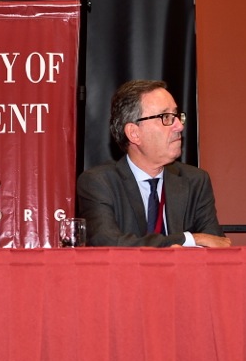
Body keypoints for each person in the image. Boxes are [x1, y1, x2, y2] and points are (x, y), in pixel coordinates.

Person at [76, 79, 231, 247]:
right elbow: (107, 243)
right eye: (166, 117)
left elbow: (217, 246)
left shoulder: (195, 181)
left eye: (177, 116)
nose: (179, 126)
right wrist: (190, 239)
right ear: (134, 133)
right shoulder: (99, 183)